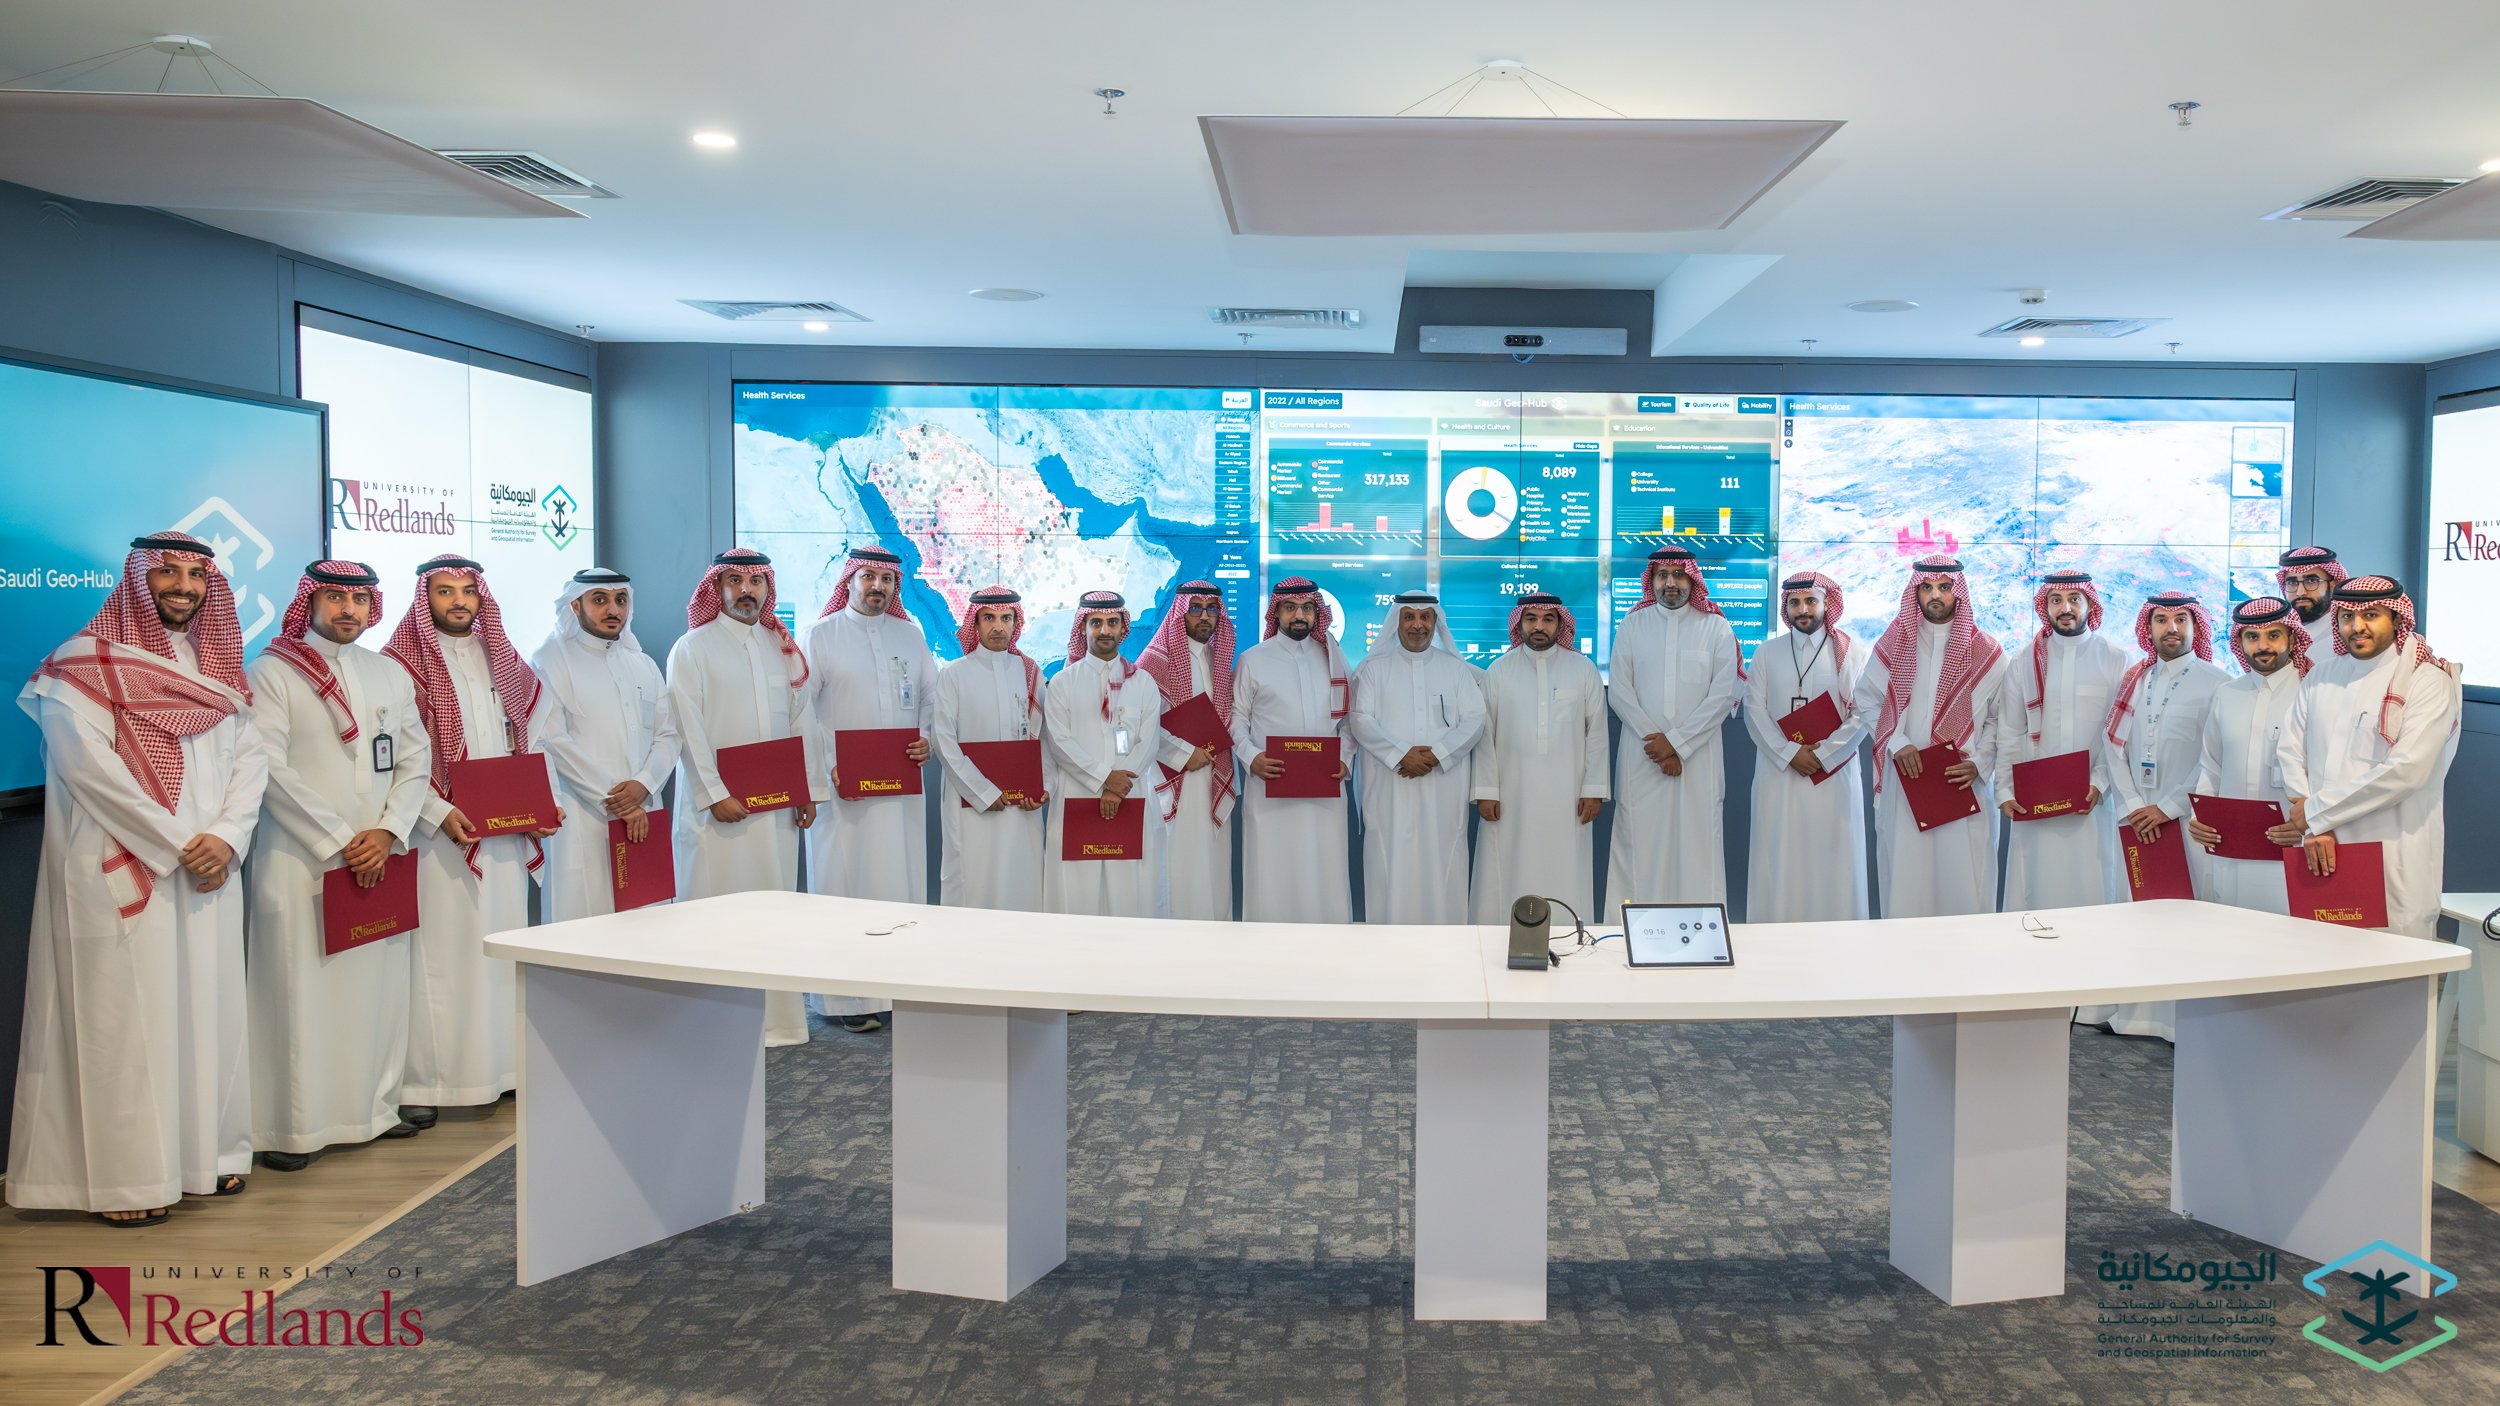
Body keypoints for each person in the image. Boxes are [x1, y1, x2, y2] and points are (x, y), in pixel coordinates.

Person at [8, 532, 268, 1223]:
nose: (183, 586)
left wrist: (227, 837)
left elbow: (253, 756)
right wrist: (183, 843)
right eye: (168, 574)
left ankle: (205, 1158)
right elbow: (87, 769)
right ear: (137, 581)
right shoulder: (79, 665)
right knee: (126, 1023)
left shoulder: (218, 665)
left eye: (194, 575)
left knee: (205, 1013)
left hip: (211, 866)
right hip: (122, 864)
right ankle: (126, 1181)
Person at [244, 562, 432, 1171]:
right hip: (301, 859)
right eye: (334, 597)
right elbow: (268, 766)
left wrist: (387, 831)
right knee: (301, 992)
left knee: (377, 988)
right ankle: (294, 1130)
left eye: (358, 597)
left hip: (380, 854)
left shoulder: (388, 672)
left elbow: (414, 760)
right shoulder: (273, 671)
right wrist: (341, 839)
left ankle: (372, 1111)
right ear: (311, 601)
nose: (347, 609)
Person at [385, 555, 555, 1125]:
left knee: (501, 948)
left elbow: (527, 739)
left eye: (467, 591)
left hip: (504, 832)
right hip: (439, 835)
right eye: (444, 591)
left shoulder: (502, 658)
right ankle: (436, 1082)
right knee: (445, 956)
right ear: (423, 598)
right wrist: (436, 811)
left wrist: (537, 805)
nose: (458, 601)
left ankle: (506, 1070)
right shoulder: (399, 664)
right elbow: (399, 760)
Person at [666, 548, 825, 1046]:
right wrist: (714, 793)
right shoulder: (691, 648)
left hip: (776, 812)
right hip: (719, 813)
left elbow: (803, 721)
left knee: (772, 914)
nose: (746, 590)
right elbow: (685, 726)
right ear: (717, 589)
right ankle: (713, 1028)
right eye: (735, 581)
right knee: (719, 914)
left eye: (756, 581)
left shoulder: (782, 647)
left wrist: (806, 789)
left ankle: (779, 1022)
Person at [2278, 576, 2462, 940]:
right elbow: (2289, 747)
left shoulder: (2427, 681)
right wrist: (2312, 821)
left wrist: (2315, 813)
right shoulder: (2322, 676)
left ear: (2396, 619)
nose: (2356, 626)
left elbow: (2407, 771)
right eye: (2346, 616)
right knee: (2319, 963)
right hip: (2319, 851)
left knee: (2394, 970)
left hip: (2392, 855)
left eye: (2371, 615)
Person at [803, 546, 935, 1033]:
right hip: (845, 795)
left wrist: (927, 738)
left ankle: (897, 992)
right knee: (845, 887)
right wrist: (831, 766)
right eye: (868, 576)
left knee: (896, 886)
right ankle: (845, 1001)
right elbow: (802, 712)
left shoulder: (910, 635)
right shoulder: (820, 637)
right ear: (849, 580)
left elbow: (931, 699)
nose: (878, 586)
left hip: (899, 794)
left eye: (886, 578)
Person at [2086, 591, 2228, 1040]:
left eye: (2181, 620)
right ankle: (2136, 1014)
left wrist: (2166, 808)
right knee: (2138, 914)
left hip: (2185, 822)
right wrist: (2131, 805)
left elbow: (2213, 760)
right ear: (2148, 629)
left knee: (2185, 916)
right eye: (2162, 620)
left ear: (2194, 626)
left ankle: (2177, 1020)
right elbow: (2112, 747)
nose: (2171, 628)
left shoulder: (2217, 682)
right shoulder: (2135, 679)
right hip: (2136, 821)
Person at [1851, 556, 2009, 918]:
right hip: (1906, 782)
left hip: (1962, 783)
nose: (1935, 595)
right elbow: (1866, 698)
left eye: (1944, 587)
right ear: (1915, 592)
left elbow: (2001, 719)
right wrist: (1897, 742)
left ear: (1960, 593)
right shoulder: (1895, 642)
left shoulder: (1987, 650)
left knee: (1964, 885)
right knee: (1907, 882)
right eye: (1926, 587)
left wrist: (1980, 764)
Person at [528, 568, 679, 923]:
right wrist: (615, 799)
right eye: (600, 600)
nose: (613, 610)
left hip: (643, 813)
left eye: (620, 600)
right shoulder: (551, 659)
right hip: (584, 815)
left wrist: (644, 784)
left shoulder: (642, 664)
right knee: (583, 920)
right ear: (575, 607)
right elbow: (553, 739)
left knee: (646, 923)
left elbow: (668, 735)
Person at [1606, 546, 1742, 911]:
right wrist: (1658, 744)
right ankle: (1627, 935)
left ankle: (1700, 936)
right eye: (1662, 575)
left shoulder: (1715, 627)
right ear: (1651, 580)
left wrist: (1677, 745)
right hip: (1642, 756)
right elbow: (1620, 691)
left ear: (1691, 579)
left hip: (1698, 760)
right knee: (1638, 844)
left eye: (1678, 575)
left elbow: (1723, 694)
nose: (1670, 582)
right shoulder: (1633, 624)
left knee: (1698, 845)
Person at [1468, 593, 1607, 925]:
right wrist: (1487, 790)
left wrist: (1594, 789)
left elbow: (1598, 734)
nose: (1539, 626)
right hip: (1512, 795)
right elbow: (1485, 737)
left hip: (1568, 795)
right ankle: (1502, 935)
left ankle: (1564, 931)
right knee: (1508, 863)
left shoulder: (1583, 669)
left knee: (1565, 864)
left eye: (1548, 619)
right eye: (1531, 619)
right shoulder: (1499, 671)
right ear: (1520, 623)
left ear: (1560, 624)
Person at [1348, 592, 1485, 923]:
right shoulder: (1372, 669)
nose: (1417, 625)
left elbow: (1475, 718)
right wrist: (1400, 755)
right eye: (1409, 616)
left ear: (1436, 623)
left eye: (1425, 617)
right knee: (1389, 858)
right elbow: (1361, 720)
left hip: (1443, 785)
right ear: (1397, 621)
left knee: (1443, 858)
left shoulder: (1456, 669)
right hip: (1389, 784)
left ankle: (1446, 943)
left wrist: (1437, 754)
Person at [1741, 571, 1870, 923]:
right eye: (1795, 602)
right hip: (1779, 776)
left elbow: (1863, 713)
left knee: (1834, 858)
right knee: (1780, 857)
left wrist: (1824, 755)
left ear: (1826, 604)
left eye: (1811, 601)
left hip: (1834, 778)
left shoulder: (1851, 652)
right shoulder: (1768, 652)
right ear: (1786, 607)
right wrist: (1790, 754)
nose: (1803, 609)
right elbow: (1754, 710)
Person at [1993, 570, 2125, 911]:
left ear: (2088, 603)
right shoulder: (2025, 660)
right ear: (2045, 608)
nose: (2064, 608)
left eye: (2073, 599)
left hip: (2092, 800)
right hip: (2034, 800)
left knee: (2092, 888)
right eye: (2055, 601)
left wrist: (2100, 782)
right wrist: (2006, 790)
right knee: (2034, 890)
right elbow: (2009, 729)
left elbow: (2122, 734)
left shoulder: (2115, 659)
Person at [1229, 578, 1354, 923]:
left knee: (1324, 867)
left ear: (1317, 613)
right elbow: (1236, 719)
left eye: (1307, 608)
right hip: (1270, 788)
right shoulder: (1252, 660)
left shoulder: (1335, 661)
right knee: (1272, 868)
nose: (1299, 615)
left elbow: (1347, 722)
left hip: (1325, 790)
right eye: (1290, 608)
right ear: (1277, 613)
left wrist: (1344, 759)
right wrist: (1252, 757)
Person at [2183, 597, 2309, 916]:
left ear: (2292, 637)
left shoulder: (2313, 691)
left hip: (2294, 846)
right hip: (2231, 849)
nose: (2262, 645)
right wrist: (2201, 817)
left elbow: (2329, 770)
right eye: (2252, 637)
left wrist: (2312, 822)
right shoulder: (2228, 694)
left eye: (2273, 635)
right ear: (2240, 642)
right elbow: (2211, 765)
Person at [1043, 590, 1166, 917]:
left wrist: (1118, 785)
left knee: (1130, 891)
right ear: (1082, 627)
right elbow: (1059, 742)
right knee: (1077, 892)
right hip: (1077, 798)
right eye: (1096, 623)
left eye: (1112, 622)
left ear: (1123, 627)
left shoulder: (1143, 682)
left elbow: (1149, 740)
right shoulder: (1063, 682)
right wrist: (1104, 779)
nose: (1105, 630)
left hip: (1130, 796)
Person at [931, 587, 1048, 910]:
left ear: (1015, 623)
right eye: (989, 619)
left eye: (1006, 618)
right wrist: (982, 791)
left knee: (1022, 881)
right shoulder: (953, 674)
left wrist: (1042, 788)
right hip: (969, 802)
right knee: (972, 879)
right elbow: (943, 740)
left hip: (1021, 808)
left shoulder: (1030, 672)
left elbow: (1046, 739)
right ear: (976, 623)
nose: (998, 627)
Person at [1137, 582, 1239, 922]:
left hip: (1212, 774)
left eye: (1212, 609)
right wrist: (1184, 754)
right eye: (1195, 608)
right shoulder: (1153, 662)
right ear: (1181, 613)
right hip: (1171, 778)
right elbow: (1144, 725)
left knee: (1212, 862)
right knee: (1176, 861)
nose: (1205, 616)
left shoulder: (1221, 660)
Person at [2277, 545, 2346, 628]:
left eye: (2311, 581)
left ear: (2332, 586)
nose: (2300, 592)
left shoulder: (2345, 634)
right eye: (2292, 583)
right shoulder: (2282, 631)